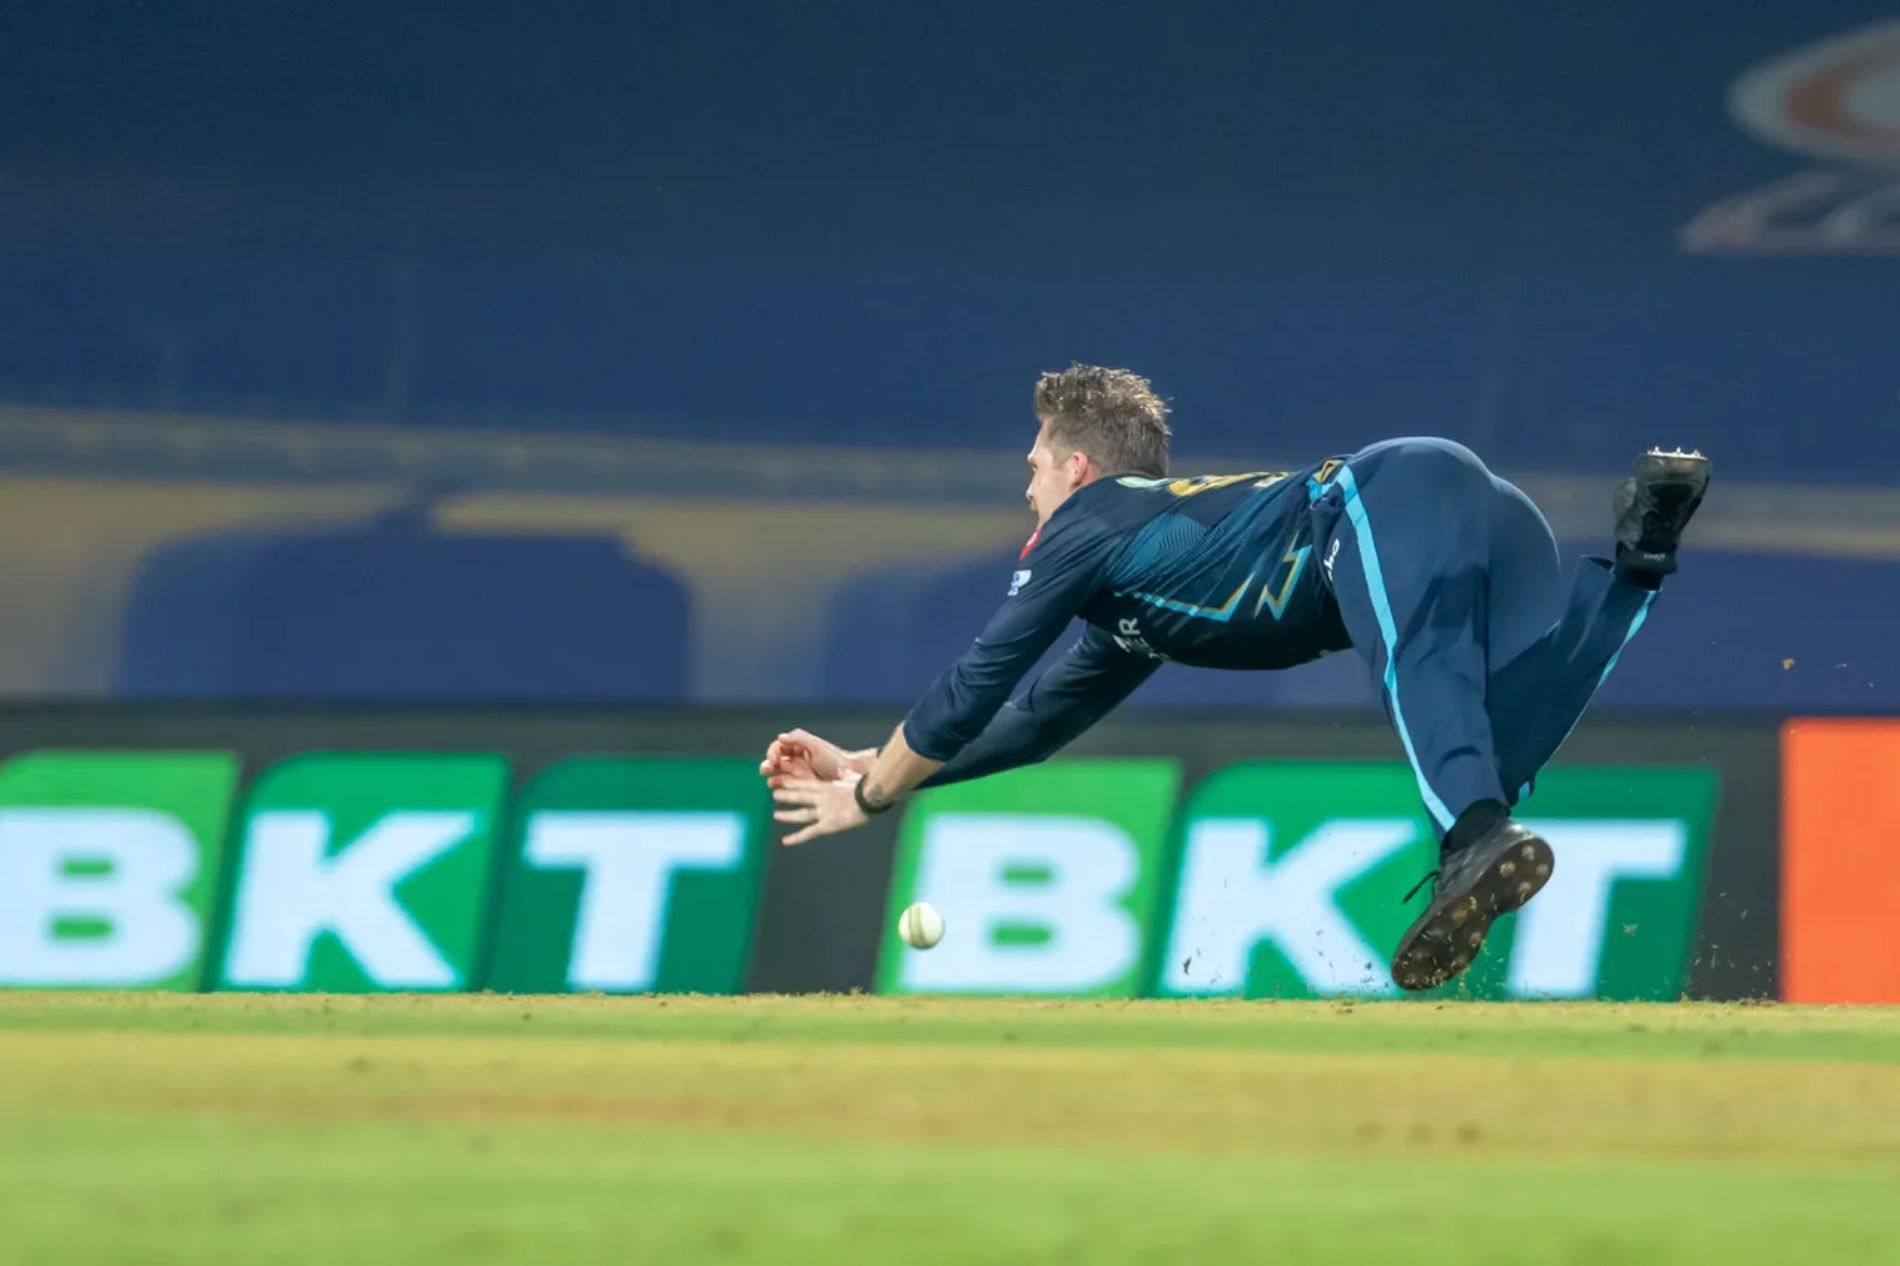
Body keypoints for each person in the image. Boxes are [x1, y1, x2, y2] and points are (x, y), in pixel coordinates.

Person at [763, 363, 1709, 991]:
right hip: (1480, 522)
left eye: (1035, 467)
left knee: (1422, 674)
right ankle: (1639, 559)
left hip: (1393, 495)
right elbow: (1033, 719)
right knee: (1507, 745)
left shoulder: (1087, 524)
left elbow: (978, 677)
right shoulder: (1133, 584)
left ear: (1080, 468)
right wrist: (865, 765)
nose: (1028, 488)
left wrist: (878, 797)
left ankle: (1468, 837)